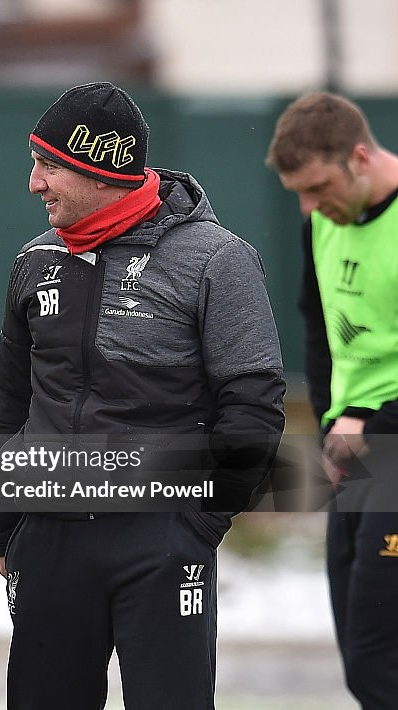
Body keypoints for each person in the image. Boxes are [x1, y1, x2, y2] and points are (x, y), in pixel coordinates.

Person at [0, 82, 286, 709]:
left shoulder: (217, 261)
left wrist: (200, 523)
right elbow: (11, 402)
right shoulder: (34, 261)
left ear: (101, 169)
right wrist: (6, 526)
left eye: (48, 165)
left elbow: (254, 405)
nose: (34, 184)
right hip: (48, 537)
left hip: (163, 540)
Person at [266, 91, 398, 710]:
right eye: (299, 193)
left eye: (318, 188)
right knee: (359, 658)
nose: (310, 206)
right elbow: (319, 332)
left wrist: (367, 420)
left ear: (360, 157)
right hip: (357, 453)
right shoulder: (318, 223)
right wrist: (330, 428)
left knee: (378, 657)